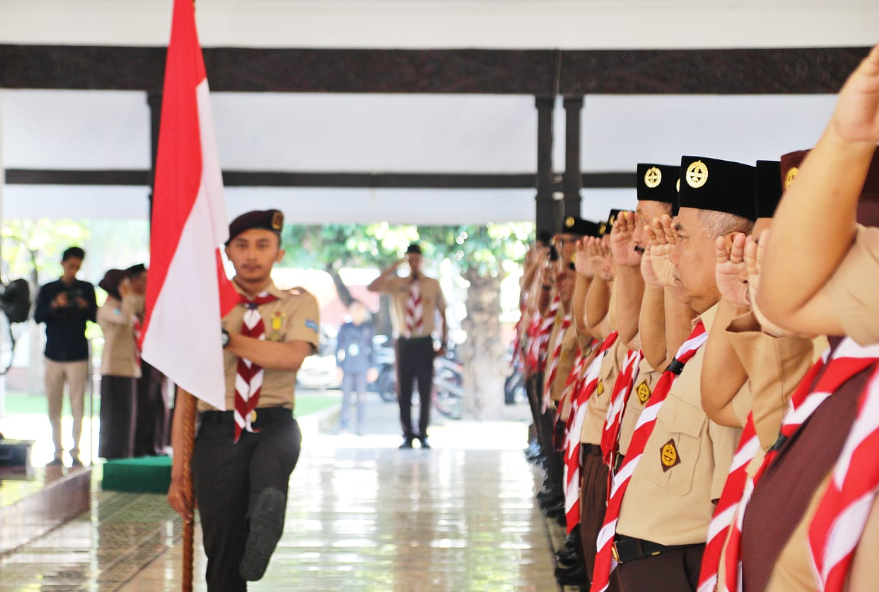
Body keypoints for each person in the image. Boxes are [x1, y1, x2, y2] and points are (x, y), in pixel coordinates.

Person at [167, 209, 319, 592]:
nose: (252, 255)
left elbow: (291, 356)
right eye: (242, 246)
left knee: (270, 477)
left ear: (279, 254)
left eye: (263, 246)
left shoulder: (298, 303)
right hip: (217, 429)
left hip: (275, 424)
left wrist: (224, 339)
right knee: (223, 553)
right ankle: (246, 543)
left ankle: (264, 524)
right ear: (228, 253)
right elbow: (185, 395)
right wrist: (178, 475)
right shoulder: (205, 308)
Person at [367, 244, 448, 449]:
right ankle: (407, 434)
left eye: (417, 259)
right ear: (406, 260)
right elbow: (372, 287)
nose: (413, 263)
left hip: (425, 341)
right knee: (403, 390)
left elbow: (443, 313)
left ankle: (422, 433)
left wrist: (444, 341)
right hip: (404, 342)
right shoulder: (396, 283)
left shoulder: (432, 284)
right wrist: (391, 268)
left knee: (424, 389)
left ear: (422, 261)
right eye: (410, 259)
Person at [34, 246, 98, 467]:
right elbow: (37, 316)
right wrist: (55, 305)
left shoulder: (86, 289)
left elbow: (95, 317)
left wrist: (84, 306)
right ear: (63, 263)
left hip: (77, 353)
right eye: (71, 266)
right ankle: (56, 451)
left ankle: (76, 451)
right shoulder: (49, 289)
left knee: (77, 404)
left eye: (77, 267)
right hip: (53, 353)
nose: (74, 270)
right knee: (54, 404)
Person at [97, 269, 141, 460]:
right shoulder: (108, 308)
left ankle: (126, 452)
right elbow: (124, 317)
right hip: (113, 369)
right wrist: (128, 296)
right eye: (124, 284)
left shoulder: (125, 303)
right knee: (113, 417)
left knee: (126, 417)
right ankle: (111, 454)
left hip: (129, 368)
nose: (128, 287)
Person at [127, 263, 170, 456]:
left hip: (159, 353)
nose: (145, 283)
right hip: (140, 355)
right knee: (144, 400)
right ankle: (141, 445)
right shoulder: (132, 299)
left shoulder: (157, 297)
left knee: (159, 400)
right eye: (142, 280)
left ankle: (158, 444)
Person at [335, 300, 377, 435]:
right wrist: (338, 366)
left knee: (361, 398)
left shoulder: (368, 328)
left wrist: (373, 367)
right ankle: (344, 425)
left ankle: (360, 426)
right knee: (346, 398)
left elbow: (373, 349)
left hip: (362, 367)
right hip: (347, 367)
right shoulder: (345, 328)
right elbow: (338, 348)